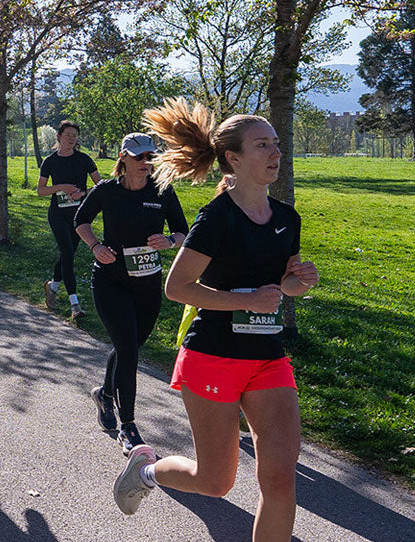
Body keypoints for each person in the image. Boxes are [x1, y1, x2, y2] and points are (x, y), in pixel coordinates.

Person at [112, 100, 319, 542]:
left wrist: (299, 281)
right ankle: (146, 471)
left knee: (280, 479)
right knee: (215, 482)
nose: (275, 153)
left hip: (268, 358)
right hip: (213, 356)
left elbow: (285, 285)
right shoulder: (217, 218)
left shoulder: (287, 218)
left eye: (276, 144)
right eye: (262, 145)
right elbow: (177, 287)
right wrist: (248, 298)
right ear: (233, 158)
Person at [72, 133, 188, 454]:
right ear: (123, 157)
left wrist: (170, 241)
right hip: (110, 282)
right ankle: (129, 426)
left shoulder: (162, 190)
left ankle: (105, 394)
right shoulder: (106, 190)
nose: (146, 163)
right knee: (128, 351)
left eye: (150, 156)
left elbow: (183, 230)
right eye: (139, 157)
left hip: (147, 286)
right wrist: (95, 246)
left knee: (129, 347)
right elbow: (81, 220)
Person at [37, 120, 103, 319]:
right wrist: (61, 187)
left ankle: (52, 287)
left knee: (68, 255)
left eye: (75, 135)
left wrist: (82, 193)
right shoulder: (50, 161)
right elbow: (41, 191)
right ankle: (75, 305)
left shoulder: (84, 160)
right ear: (59, 137)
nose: (72, 139)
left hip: (79, 216)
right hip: (57, 215)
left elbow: (101, 186)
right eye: (68, 135)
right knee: (67, 252)